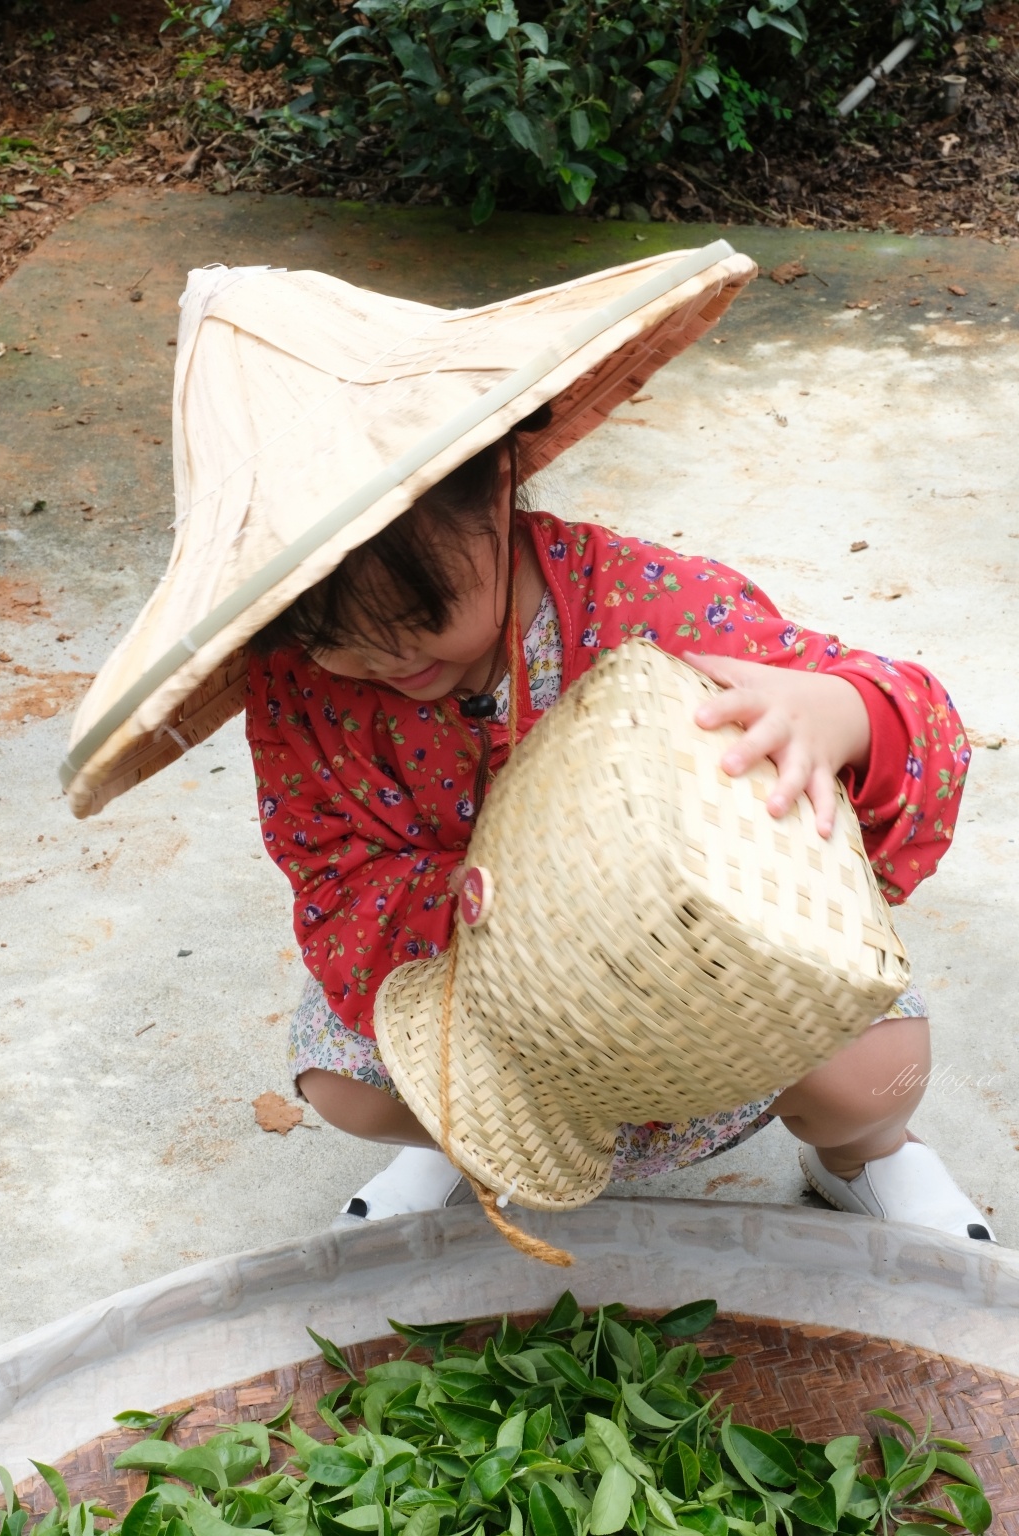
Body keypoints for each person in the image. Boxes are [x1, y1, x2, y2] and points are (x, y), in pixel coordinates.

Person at [245, 410, 991, 1243]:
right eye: (333, 638)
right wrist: (466, 905)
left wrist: (843, 713)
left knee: (874, 1073)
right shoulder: (298, 687)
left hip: (702, 986)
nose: (388, 661)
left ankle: (865, 1155)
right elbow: (333, 871)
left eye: (420, 612)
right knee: (346, 1086)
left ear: (495, 490)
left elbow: (922, 732)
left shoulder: (655, 610)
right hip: (494, 998)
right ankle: (474, 1144)